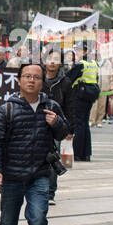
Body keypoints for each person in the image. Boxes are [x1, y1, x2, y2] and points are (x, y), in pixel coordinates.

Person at [0, 61, 68, 225]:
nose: (31, 80)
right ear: (19, 80)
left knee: (38, 218)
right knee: (8, 222)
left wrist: (56, 122)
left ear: (43, 82)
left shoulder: (51, 106)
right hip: (12, 176)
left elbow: (64, 132)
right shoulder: (7, 109)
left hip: (40, 174)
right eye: (27, 76)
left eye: (36, 77)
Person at [42, 53, 73, 207]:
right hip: (37, 123)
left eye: (56, 60)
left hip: (56, 124)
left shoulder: (65, 82)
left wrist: (69, 128)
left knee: (53, 157)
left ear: (60, 64)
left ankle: (50, 192)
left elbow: (69, 106)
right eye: (50, 59)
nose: (52, 62)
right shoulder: (38, 78)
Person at [68, 48, 99, 160]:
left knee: (79, 125)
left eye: (80, 50)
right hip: (90, 96)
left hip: (79, 96)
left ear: (85, 52)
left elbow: (69, 78)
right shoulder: (94, 64)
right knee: (85, 124)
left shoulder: (80, 64)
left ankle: (77, 153)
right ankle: (86, 154)